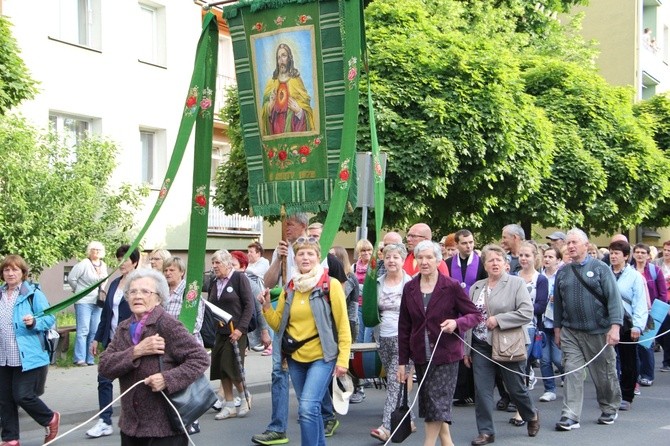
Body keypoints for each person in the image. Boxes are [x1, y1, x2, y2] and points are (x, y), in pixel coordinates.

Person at [99, 269, 210, 446]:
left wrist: (167, 379)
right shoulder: (124, 328)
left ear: (158, 298)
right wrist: (137, 351)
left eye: (145, 291)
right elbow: (105, 366)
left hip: (165, 429)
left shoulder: (167, 324)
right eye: (132, 291)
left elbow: (200, 359)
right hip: (131, 428)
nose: (137, 296)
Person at [260, 237, 352, 446]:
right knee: (311, 408)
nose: (305, 257)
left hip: (323, 357)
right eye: (301, 253)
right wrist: (266, 307)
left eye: (310, 254)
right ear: (295, 259)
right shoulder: (290, 287)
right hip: (295, 358)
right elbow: (278, 325)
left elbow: (343, 325)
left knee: (307, 409)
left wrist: (343, 360)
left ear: (318, 258)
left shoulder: (331, 285)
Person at [397, 240, 481, 446]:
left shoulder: (450, 286)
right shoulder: (409, 288)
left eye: (429, 257)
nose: (424, 262)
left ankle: (428, 444)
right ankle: (447, 443)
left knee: (436, 401)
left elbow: (475, 315)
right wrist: (402, 362)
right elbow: (404, 327)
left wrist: (457, 322)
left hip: (446, 354)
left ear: (438, 259)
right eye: (420, 257)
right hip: (420, 353)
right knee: (432, 402)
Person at [464, 244, 540, 445]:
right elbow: (470, 318)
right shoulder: (476, 287)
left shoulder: (516, 283)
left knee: (515, 388)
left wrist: (499, 319)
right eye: (490, 260)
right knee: (482, 391)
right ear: (485, 265)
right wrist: (466, 349)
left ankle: (531, 414)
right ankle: (486, 432)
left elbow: (526, 313)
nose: (495, 263)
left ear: (506, 264)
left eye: (499, 259)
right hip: (480, 345)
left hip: (508, 344)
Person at [553, 228, 623, 431]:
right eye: (568, 243)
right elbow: (558, 303)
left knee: (604, 374)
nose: (571, 246)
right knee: (572, 372)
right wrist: (558, 329)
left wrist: (615, 327)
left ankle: (609, 406)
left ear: (586, 245)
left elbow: (613, 299)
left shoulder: (601, 268)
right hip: (571, 332)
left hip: (599, 331)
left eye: (575, 242)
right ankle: (570, 415)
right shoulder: (563, 272)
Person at [254, 213, 308, 445]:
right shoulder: (281, 249)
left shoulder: (312, 248)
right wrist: (279, 259)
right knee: (279, 370)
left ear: (303, 226)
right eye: (284, 224)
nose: (286, 229)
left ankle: (322, 414)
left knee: (309, 370)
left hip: (307, 318)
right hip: (285, 315)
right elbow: (268, 283)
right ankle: (277, 427)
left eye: (291, 225)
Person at [0, 255, 60, 446]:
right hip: (4, 355)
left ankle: (50, 418)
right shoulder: (0, 293)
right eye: (7, 270)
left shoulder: (32, 293)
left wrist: (34, 322)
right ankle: (10, 439)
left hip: (28, 355)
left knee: (22, 395)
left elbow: (50, 318)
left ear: (23, 273)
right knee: (4, 399)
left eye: (15, 270)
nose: (10, 273)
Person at [87, 244, 140, 439]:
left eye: (125, 259)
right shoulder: (114, 283)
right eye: (119, 259)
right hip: (111, 340)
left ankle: (136, 421)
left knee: (133, 383)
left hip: (132, 340)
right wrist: (96, 338)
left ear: (134, 261)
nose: (121, 263)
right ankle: (105, 421)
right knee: (104, 378)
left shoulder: (140, 283)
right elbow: (106, 314)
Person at [370, 243, 415, 442]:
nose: (391, 261)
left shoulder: (411, 283)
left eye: (396, 257)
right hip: (383, 337)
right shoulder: (377, 283)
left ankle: (386, 426)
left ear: (403, 260)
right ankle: (409, 420)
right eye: (388, 257)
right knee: (394, 380)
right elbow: (371, 310)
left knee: (396, 381)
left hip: (405, 338)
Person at [208, 249, 255, 420]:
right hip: (219, 332)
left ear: (228, 263)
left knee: (232, 368)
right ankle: (228, 405)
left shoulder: (239, 278)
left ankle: (244, 397)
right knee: (221, 369)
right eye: (213, 263)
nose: (214, 266)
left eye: (217, 263)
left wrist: (241, 329)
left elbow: (249, 305)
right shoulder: (215, 281)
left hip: (236, 331)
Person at [445, 229, 487, 406]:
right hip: (455, 312)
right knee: (458, 351)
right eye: (464, 243)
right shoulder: (448, 263)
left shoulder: (482, 263)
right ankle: (462, 392)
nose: (469, 246)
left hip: (474, 311)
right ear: (456, 244)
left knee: (475, 351)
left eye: (471, 242)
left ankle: (477, 392)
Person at [609, 240, 647, 411]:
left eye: (617, 253)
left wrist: (638, 326)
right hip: (607, 322)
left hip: (627, 323)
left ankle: (627, 394)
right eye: (611, 252)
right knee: (608, 361)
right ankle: (610, 393)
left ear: (625, 256)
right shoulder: (605, 273)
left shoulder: (634, 277)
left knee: (628, 361)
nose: (613, 256)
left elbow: (640, 302)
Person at [68, 241, 108, 366]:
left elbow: (105, 279)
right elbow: (71, 278)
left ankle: (90, 358)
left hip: (98, 301)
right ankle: (79, 358)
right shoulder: (84, 264)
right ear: (89, 251)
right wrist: (79, 290)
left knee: (94, 331)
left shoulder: (104, 265)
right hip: (84, 301)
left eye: (98, 249)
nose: (96, 252)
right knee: (83, 330)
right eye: (93, 249)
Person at [261, 43, 315, 136]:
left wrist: (299, 111)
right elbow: (264, 114)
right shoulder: (271, 83)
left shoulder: (296, 81)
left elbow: (307, 108)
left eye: (284, 56)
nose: (281, 60)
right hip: (275, 133)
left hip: (293, 128)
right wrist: (270, 105)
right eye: (278, 57)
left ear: (289, 58)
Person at [633, 243, 667, 386]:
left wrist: (657, 312)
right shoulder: (628, 271)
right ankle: (635, 373)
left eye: (643, 252)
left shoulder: (655, 271)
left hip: (650, 313)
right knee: (632, 345)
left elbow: (663, 293)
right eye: (637, 252)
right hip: (633, 313)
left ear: (648, 255)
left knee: (646, 345)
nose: (640, 255)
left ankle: (647, 374)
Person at [230, 251, 271, 356]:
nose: (230, 268)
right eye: (228, 265)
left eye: (233, 265)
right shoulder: (225, 283)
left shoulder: (251, 285)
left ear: (243, 267)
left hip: (245, 331)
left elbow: (259, 309)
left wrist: (265, 333)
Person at [538, 247, 564, 402]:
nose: (547, 259)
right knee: (544, 359)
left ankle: (569, 376)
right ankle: (549, 388)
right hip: (542, 323)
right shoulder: (539, 276)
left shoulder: (560, 276)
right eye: (545, 256)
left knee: (557, 359)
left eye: (551, 257)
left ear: (558, 260)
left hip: (556, 323)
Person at [653, 240, 670, 372]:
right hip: (659, 300)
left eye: (669, 251)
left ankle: (667, 361)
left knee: (668, 331)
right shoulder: (656, 264)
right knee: (659, 330)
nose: (666, 253)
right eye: (665, 250)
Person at [354, 239, 375, 344]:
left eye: (369, 250)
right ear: (359, 252)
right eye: (363, 250)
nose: (366, 253)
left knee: (368, 339)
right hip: (358, 305)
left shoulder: (375, 266)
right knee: (358, 338)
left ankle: (367, 360)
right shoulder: (354, 267)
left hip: (371, 306)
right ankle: (359, 361)